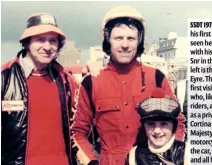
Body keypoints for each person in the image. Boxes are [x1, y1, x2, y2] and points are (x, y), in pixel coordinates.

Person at [71, 6, 185, 165]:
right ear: (107, 40)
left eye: (131, 38)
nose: (125, 45)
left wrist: (171, 156)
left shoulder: (157, 77)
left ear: (139, 41)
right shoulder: (91, 82)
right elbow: (78, 132)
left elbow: (178, 122)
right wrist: (91, 162)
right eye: (118, 38)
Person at [1, 13, 77, 165]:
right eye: (40, 40)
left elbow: (80, 128)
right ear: (27, 42)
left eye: (53, 41)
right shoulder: (4, 78)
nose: (47, 47)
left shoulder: (66, 80)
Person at [125, 88, 187, 165]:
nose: (157, 131)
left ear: (173, 126)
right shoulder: (134, 156)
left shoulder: (187, 153)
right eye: (151, 124)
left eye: (164, 124)